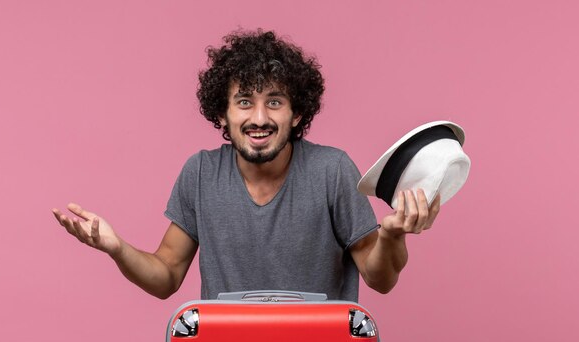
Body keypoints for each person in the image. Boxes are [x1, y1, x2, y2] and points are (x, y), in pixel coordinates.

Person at [52, 30, 440, 302]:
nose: (259, 117)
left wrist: (391, 236)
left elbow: (380, 278)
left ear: (297, 113)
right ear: (222, 114)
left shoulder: (331, 170)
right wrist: (117, 249)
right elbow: (167, 275)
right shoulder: (201, 174)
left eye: (274, 102)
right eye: (243, 102)